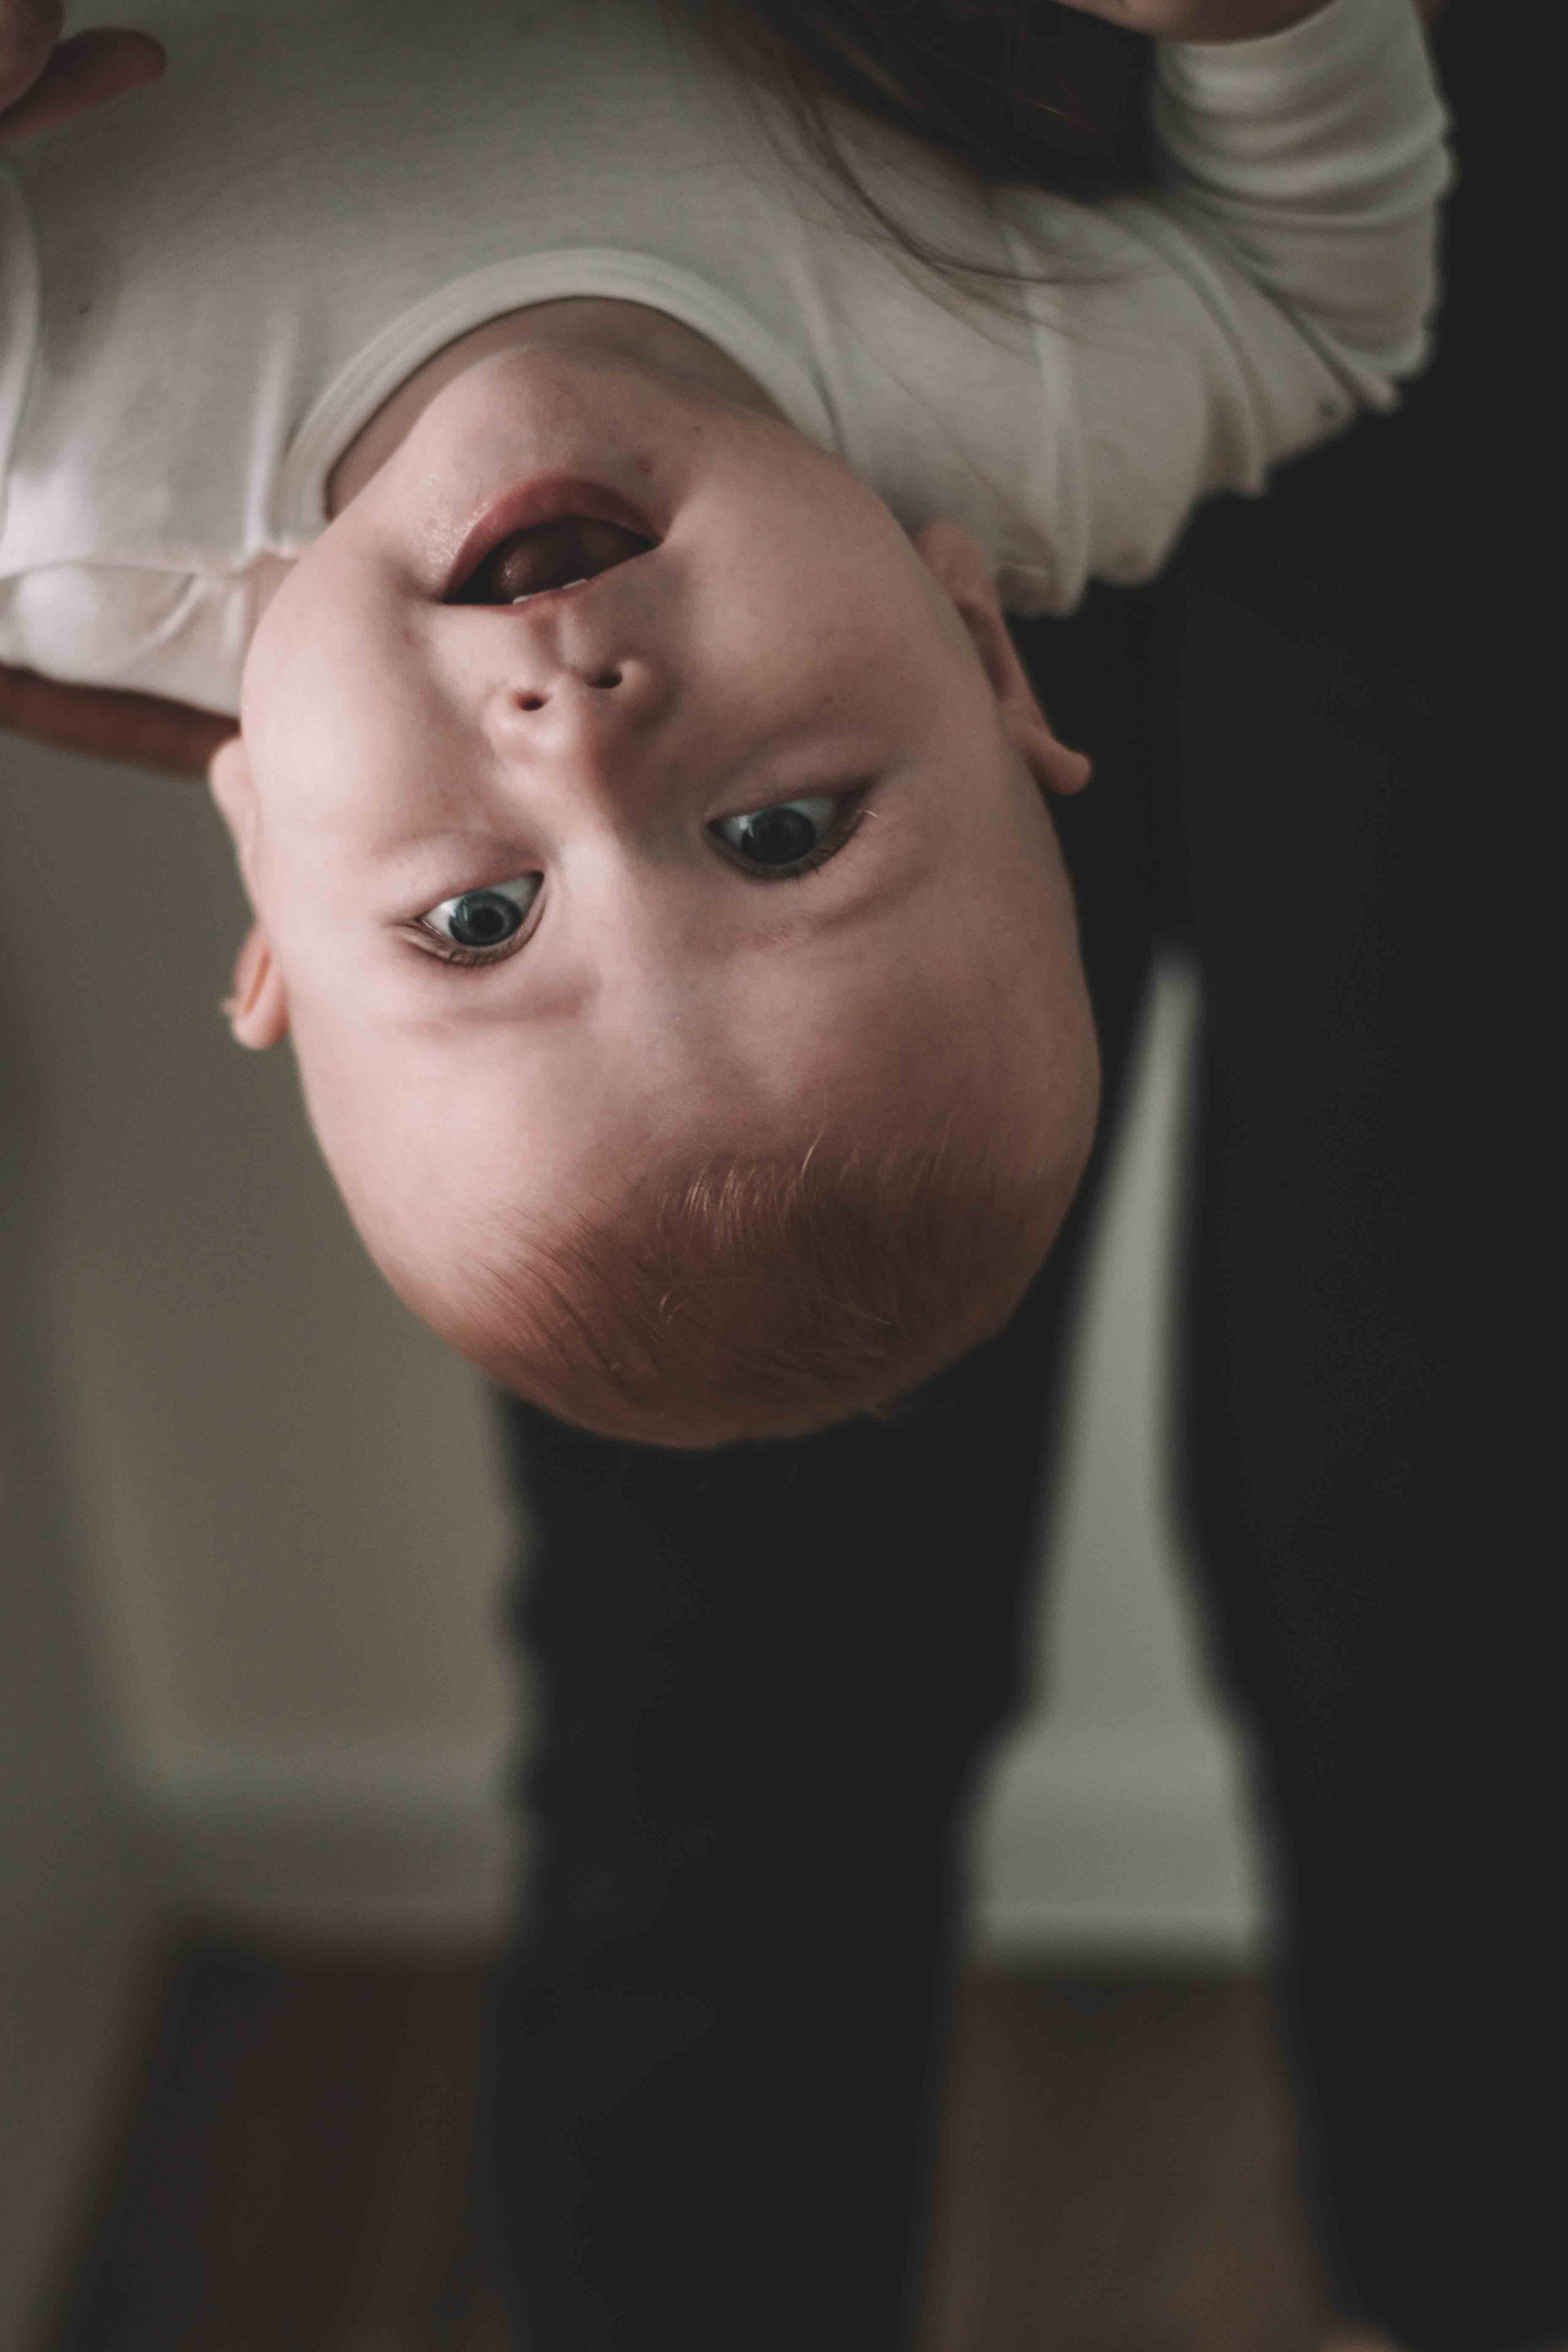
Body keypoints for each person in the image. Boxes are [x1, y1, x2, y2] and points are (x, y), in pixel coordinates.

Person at [0, 0, 1447, 1457]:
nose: (577, 744)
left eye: (479, 918)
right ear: (980, 652)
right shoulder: (1019, 410)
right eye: (778, 834)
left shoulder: (43, 491)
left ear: (264, 859)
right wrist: (1270, 28)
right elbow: (1314, 314)